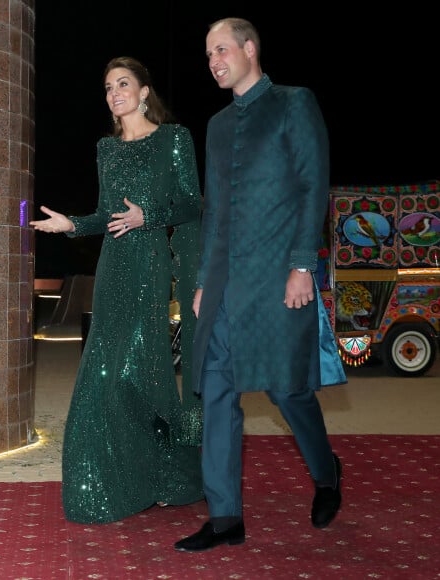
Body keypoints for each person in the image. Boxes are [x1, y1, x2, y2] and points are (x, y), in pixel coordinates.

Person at [174, 18, 348, 552]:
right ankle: (225, 517)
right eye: (208, 54)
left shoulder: (295, 103)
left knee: (286, 390)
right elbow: (215, 213)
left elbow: (313, 184)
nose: (214, 61)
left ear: (250, 49)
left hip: (279, 278)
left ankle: (326, 473)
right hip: (226, 282)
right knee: (217, 390)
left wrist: (302, 265)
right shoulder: (218, 125)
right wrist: (203, 280)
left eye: (221, 49)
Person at [30, 56, 204, 524]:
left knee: (146, 370)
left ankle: (176, 475)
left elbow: (191, 203)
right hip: (113, 268)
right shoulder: (107, 149)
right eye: (108, 87)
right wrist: (72, 224)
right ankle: (114, 481)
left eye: (123, 84)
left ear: (145, 91)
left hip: (150, 267)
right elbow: (107, 214)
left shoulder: (174, 139)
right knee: (104, 374)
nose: (114, 93)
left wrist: (150, 214)